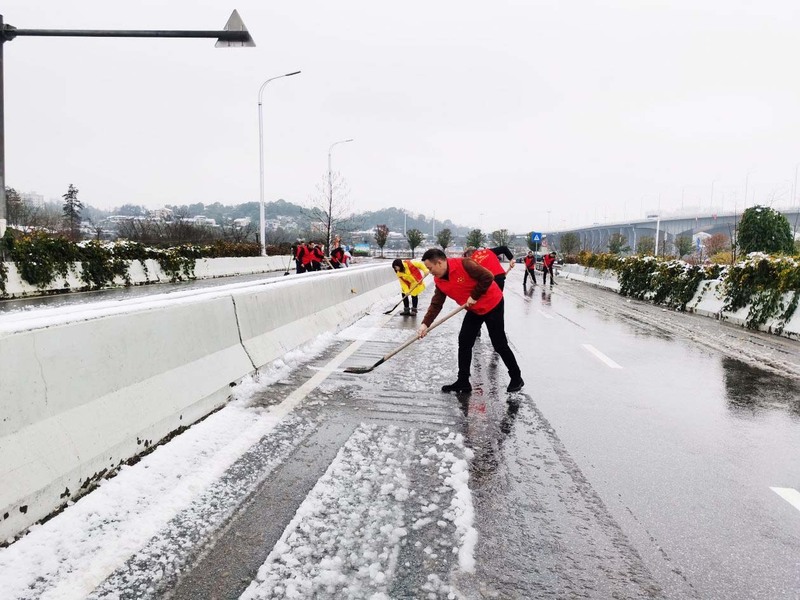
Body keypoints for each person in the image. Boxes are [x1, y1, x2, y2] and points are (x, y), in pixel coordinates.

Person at [417, 248, 524, 393]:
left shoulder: (464, 264)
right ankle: (463, 381)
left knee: (499, 344)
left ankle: (516, 377)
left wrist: (474, 295)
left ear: (440, 262)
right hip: (474, 310)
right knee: (464, 341)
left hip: (492, 303)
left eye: (430, 268)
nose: (430, 272)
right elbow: (436, 304)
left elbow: (488, 276)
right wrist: (425, 324)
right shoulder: (439, 280)